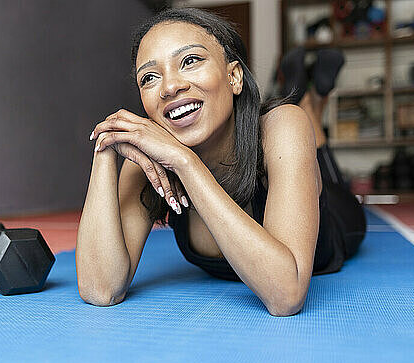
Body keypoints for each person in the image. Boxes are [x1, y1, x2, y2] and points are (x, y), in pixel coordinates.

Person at [76, 8, 365, 316]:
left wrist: (185, 162)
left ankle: (310, 103)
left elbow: (286, 295)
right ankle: (304, 94)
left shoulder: (282, 127)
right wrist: (105, 148)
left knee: (312, 143)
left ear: (234, 76)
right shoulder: (147, 162)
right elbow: (101, 288)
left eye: (190, 61)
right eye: (149, 77)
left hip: (337, 215)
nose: (170, 87)